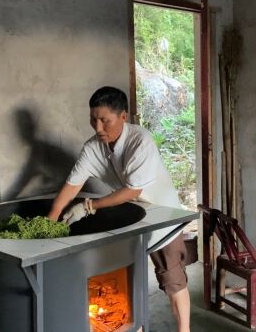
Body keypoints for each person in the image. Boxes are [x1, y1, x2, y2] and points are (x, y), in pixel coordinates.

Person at [48, 86, 191, 332]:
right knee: (127, 279)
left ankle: (184, 329)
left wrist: (89, 206)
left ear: (123, 117)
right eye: (93, 119)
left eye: (105, 120)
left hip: (162, 217)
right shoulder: (93, 147)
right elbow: (72, 185)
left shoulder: (140, 141)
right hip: (133, 218)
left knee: (172, 280)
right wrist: (50, 221)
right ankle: (135, 326)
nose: (98, 127)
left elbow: (132, 191)